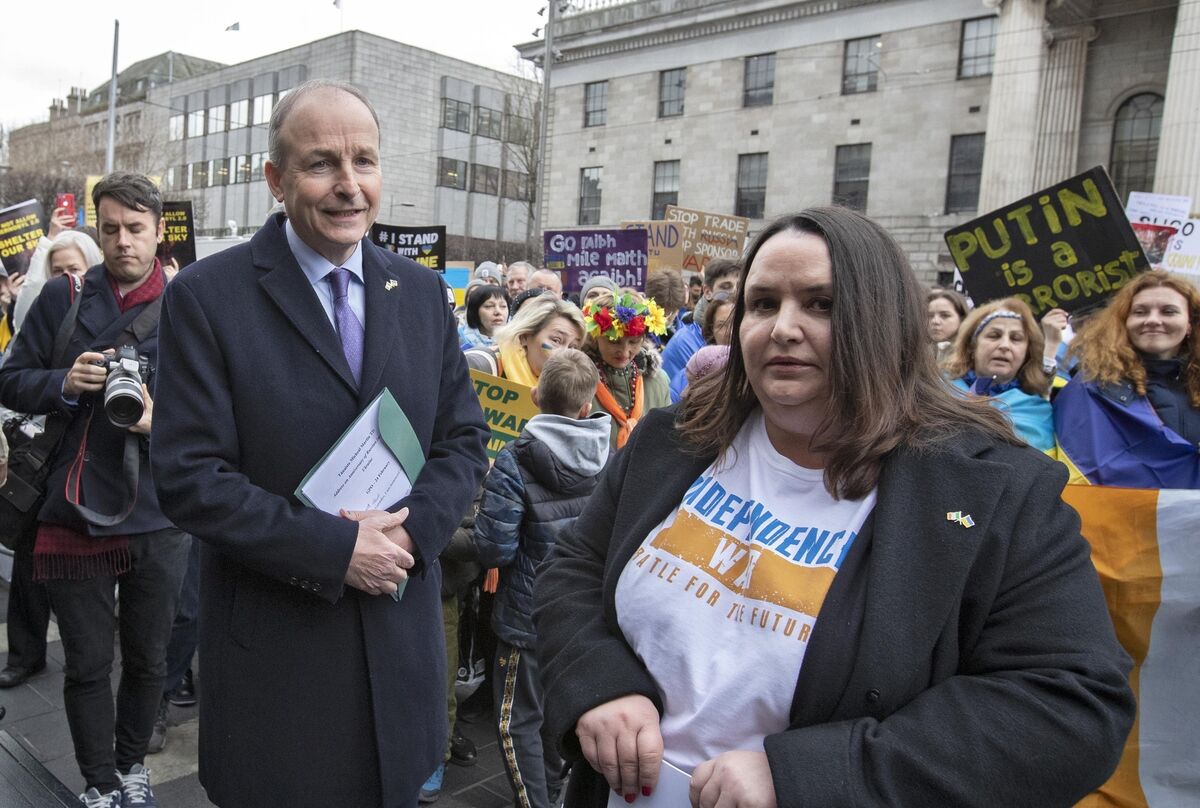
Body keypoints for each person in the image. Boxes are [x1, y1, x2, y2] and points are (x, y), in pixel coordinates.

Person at [534, 207, 1134, 808]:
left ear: (885, 322)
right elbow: (575, 569)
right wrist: (598, 681)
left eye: (821, 304)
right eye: (763, 303)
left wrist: (813, 778)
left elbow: (1070, 708)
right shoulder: (674, 438)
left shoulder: (997, 493)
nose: (783, 328)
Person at [150, 79, 490, 808]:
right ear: (276, 179)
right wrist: (337, 553)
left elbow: (462, 440)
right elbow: (189, 478)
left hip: (400, 652)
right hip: (280, 667)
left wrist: (405, 538)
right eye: (321, 164)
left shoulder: (423, 294)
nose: (348, 186)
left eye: (364, 161)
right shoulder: (208, 297)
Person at [0, 172, 190, 808]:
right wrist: (63, 381)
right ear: (96, 226)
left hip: (160, 510)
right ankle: (100, 781)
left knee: (148, 659)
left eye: (135, 229)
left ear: (159, 231)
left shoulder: (191, 304)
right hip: (74, 507)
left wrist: (158, 419)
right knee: (84, 663)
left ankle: (132, 766)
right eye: (109, 228)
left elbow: (224, 412)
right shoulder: (65, 296)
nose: (121, 242)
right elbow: (12, 380)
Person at [475, 348, 612, 808]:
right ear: (587, 407)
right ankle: (554, 795)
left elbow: (494, 547)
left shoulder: (515, 459)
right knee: (558, 716)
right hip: (579, 614)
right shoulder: (610, 456)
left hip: (525, 614)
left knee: (516, 722)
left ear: (534, 396)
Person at [1055, 270, 1200, 488]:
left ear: (1189, 324)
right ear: (1125, 322)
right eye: (1140, 312)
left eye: (1168, 312)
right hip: (1124, 516)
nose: (1153, 320)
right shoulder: (1090, 386)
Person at [942, 298, 1055, 452]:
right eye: (994, 336)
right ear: (971, 346)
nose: (1004, 345)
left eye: (1016, 338)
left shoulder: (1037, 411)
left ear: (1027, 353)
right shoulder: (936, 390)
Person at [580, 291, 671, 449]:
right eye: (614, 342)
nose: (624, 351)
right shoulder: (579, 380)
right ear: (595, 336)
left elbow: (667, 438)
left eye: (634, 342)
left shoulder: (657, 381)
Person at [13, 208, 102, 335]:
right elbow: (32, 289)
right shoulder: (43, 310)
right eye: (58, 270)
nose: (66, 276)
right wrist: (49, 239)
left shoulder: (106, 306)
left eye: (74, 269)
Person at [465, 294, 585, 385]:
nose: (566, 354)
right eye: (556, 340)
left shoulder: (561, 387)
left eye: (572, 347)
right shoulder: (478, 366)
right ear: (524, 336)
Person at [661, 259, 739, 382]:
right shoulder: (684, 342)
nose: (735, 293)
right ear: (707, 292)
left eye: (740, 287)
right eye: (726, 287)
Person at [669, 292, 735, 403]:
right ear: (711, 330)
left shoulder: (754, 374)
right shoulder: (690, 374)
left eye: (735, 323)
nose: (730, 332)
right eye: (722, 325)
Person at [459, 284, 510, 350]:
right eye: (489, 306)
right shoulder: (459, 343)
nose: (498, 312)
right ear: (475, 312)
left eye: (503, 306)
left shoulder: (519, 340)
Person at [644, 269, 687, 343]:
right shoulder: (639, 329)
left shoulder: (684, 336)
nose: (665, 320)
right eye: (662, 315)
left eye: (671, 313)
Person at [926, 287, 967, 364]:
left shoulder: (973, 355)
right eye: (930, 315)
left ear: (962, 318)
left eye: (945, 315)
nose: (935, 321)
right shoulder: (917, 354)